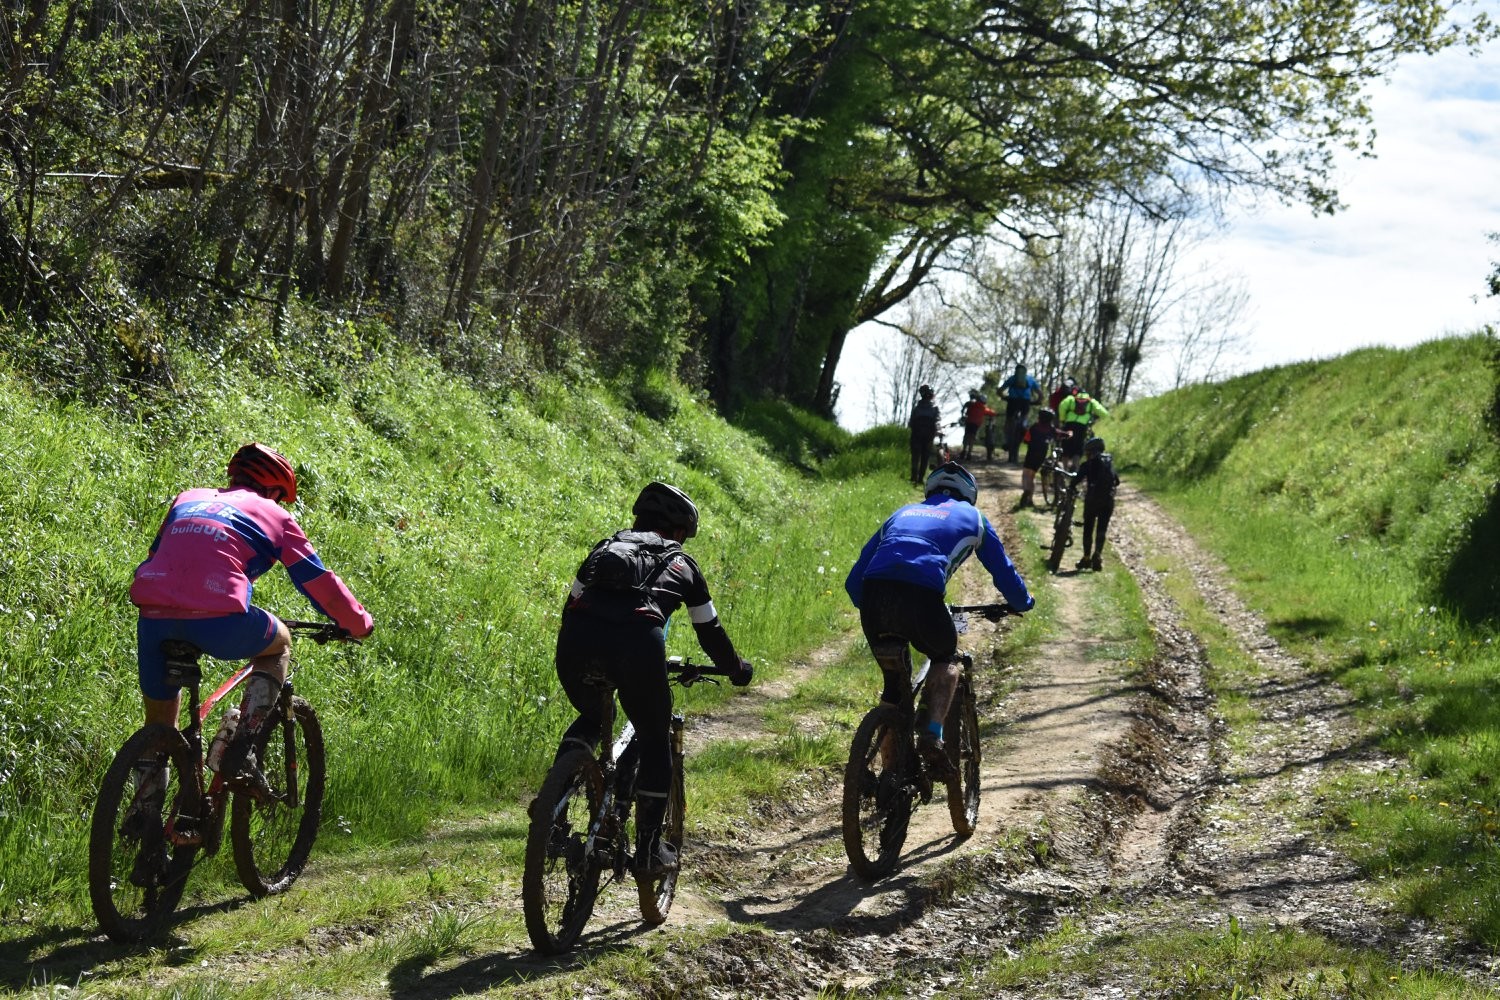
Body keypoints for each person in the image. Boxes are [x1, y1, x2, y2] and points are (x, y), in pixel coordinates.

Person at [129, 444, 374, 823]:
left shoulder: (187, 498)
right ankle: (241, 745)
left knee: (160, 728)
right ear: (274, 490)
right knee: (279, 644)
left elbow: (158, 555)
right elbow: (319, 583)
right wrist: (358, 624)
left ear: (234, 477)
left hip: (153, 615)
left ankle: (143, 819)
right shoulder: (276, 516)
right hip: (219, 617)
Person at [551, 482, 752, 876]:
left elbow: (571, 605)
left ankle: (551, 815)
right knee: (654, 737)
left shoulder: (604, 549)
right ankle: (647, 851)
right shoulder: (683, 564)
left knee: (593, 716)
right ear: (678, 531)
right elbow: (709, 632)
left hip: (576, 640)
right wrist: (736, 668)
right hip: (637, 645)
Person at [844, 463, 1033, 771]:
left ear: (930, 491)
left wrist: (875, 608)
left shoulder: (902, 513)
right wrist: (1022, 602)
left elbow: (854, 582)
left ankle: (889, 773)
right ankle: (932, 735)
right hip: (922, 597)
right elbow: (1004, 572)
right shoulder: (974, 518)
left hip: (875, 597)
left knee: (894, 689)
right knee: (945, 658)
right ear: (969, 494)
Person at [1074, 437, 1120, 572]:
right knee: (1102, 529)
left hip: (1092, 501)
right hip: (1108, 501)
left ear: (1090, 451)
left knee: (1088, 528)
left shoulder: (1088, 464)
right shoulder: (1109, 463)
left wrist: (1072, 487)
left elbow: (1076, 480)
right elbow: (1117, 481)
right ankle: (1097, 555)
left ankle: (1086, 558)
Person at [1016, 408, 1059, 509]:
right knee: (1032, 475)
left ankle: (1026, 490)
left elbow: (1026, 440)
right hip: (1042, 455)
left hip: (1031, 453)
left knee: (1026, 474)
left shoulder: (1034, 427)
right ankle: (1030, 500)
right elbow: (1059, 434)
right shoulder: (1051, 429)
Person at [1057, 389, 1109, 470]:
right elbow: (1104, 413)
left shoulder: (1071, 399)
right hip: (1082, 427)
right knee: (1078, 448)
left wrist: (1062, 419)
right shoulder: (1091, 401)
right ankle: (1075, 468)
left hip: (1069, 425)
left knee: (1066, 447)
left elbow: (1062, 406)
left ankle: (1064, 469)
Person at [1001, 364, 1040, 464]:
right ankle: (1024, 434)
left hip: (1012, 402)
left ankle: (1007, 440)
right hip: (1025, 403)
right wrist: (1037, 401)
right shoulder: (1030, 380)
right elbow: (1040, 394)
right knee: (1024, 420)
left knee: (1008, 422)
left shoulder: (1012, 379)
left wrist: (1004, 397)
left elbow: (1000, 391)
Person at [907, 384, 942, 485]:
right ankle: (920, 479)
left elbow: (911, 423)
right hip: (928, 436)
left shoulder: (916, 408)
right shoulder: (935, 408)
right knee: (925, 457)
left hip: (916, 435)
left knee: (915, 456)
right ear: (931, 395)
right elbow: (937, 421)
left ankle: (913, 477)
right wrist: (939, 431)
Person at [958, 390, 994, 462]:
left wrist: (964, 414)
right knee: (972, 437)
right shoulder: (983, 408)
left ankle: (964, 451)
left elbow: (966, 410)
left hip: (969, 422)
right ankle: (969, 453)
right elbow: (992, 413)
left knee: (967, 436)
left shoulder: (971, 404)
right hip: (976, 425)